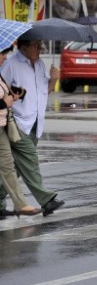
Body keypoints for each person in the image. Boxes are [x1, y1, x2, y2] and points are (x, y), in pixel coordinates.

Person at [0, 39, 64, 217]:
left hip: (35, 123)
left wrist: (54, 79)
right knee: (30, 161)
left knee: (18, 166)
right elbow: (2, 88)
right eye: (36, 45)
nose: (40, 48)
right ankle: (47, 200)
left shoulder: (40, 64)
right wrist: (13, 95)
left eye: (41, 45)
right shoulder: (11, 64)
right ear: (24, 47)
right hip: (17, 122)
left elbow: (46, 90)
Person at [0, 46, 42, 218]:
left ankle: (21, 204)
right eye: (2, 53)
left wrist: (13, 95)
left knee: (8, 165)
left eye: (6, 53)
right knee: (7, 166)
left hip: (1, 126)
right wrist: (5, 103)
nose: (5, 57)